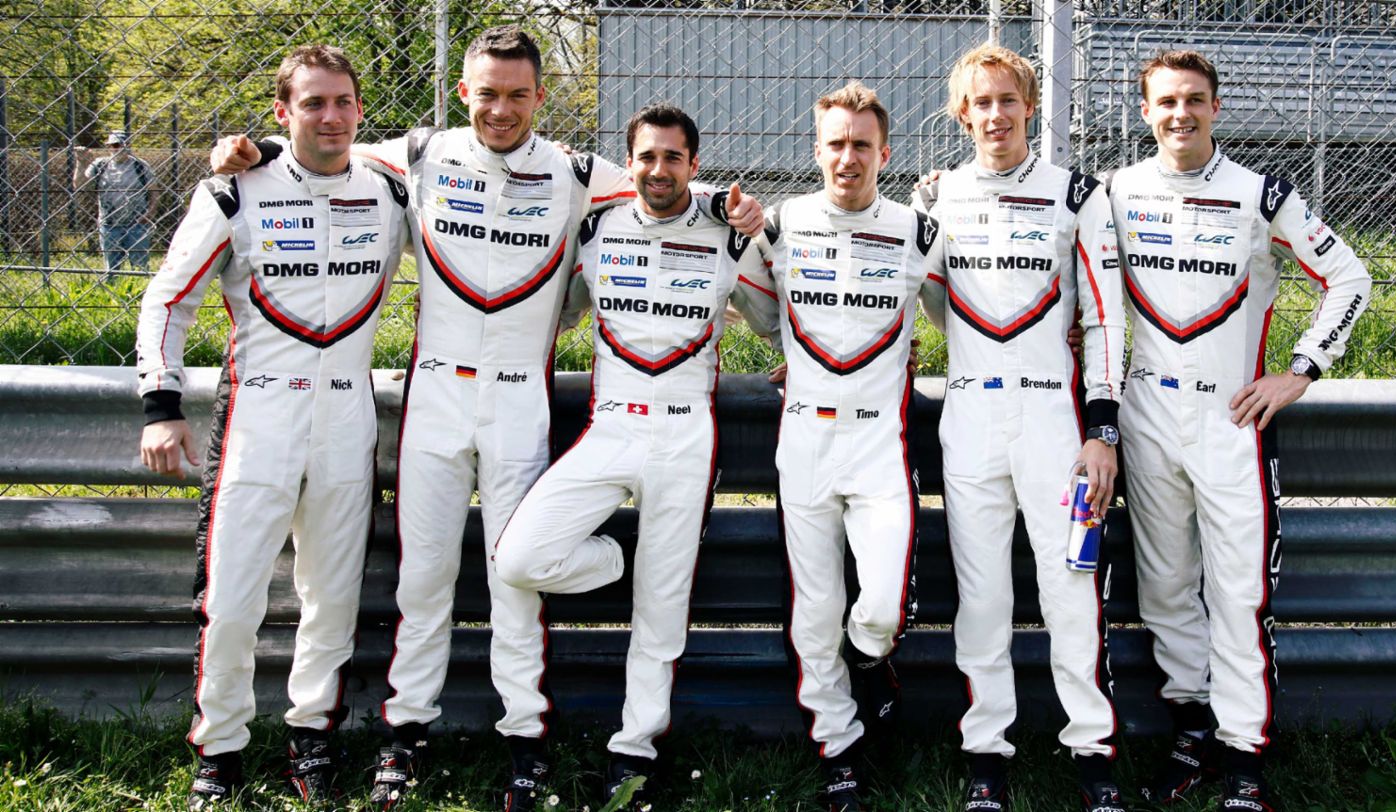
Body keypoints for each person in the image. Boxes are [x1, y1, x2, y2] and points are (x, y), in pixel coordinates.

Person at [210, 25, 762, 811]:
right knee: (424, 578)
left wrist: (731, 206)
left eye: (517, 95)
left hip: (517, 400)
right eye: (487, 93)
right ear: (464, 91)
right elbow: (323, 148)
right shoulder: (422, 154)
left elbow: (662, 189)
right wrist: (253, 150)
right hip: (433, 395)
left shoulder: (576, 172)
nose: (501, 110)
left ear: (541, 97)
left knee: (516, 585)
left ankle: (525, 739)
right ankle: (405, 735)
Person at [135, 45, 410, 810]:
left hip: (348, 411)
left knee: (331, 595)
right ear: (282, 113)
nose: (330, 116)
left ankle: (311, 738)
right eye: (312, 103)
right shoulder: (233, 190)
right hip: (258, 411)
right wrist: (161, 404)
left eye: (343, 102)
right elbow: (167, 300)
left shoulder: (392, 192)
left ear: (360, 111)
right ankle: (219, 749)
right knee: (231, 594)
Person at [493, 103, 776, 809]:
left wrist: (804, 356)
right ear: (631, 163)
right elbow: (555, 310)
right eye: (646, 157)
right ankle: (619, 558)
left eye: (673, 158)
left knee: (663, 604)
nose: (658, 170)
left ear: (694, 164)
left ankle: (634, 748)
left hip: (687, 432)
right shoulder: (594, 227)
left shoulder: (727, 232)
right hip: (611, 426)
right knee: (521, 558)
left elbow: (777, 321)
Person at [1111, 50, 1371, 811]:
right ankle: (1192, 733)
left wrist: (1303, 369)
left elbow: (1349, 277)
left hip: (1234, 422)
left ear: (1216, 107)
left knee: (1238, 593)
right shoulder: (1117, 192)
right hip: (1147, 417)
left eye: (1194, 100)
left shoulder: (1264, 195)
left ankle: (1246, 757)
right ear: (1145, 111)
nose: (1179, 114)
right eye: (1165, 102)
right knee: (1161, 590)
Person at [912, 44, 1128, 812]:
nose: (996, 115)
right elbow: (916, 304)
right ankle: (986, 755)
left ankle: (1094, 754)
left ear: (1030, 106)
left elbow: (1104, 316)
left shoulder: (1077, 192)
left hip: (1056, 421)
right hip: (969, 414)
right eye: (981, 103)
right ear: (960, 114)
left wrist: (1102, 431)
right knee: (982, 594)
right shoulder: (935, 198)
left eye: (1009, 100)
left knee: (1072, 586)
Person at [743, 81, 943, 812]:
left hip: (879, 445)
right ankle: (839, 751)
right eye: (835, 143)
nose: (848, 157)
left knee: (881, 609)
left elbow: (964, 316)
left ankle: (871, 663)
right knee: (814, 608)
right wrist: (793, 350)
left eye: (862, 144)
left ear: (883, 152)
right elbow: (760, 308)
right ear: (816, 148)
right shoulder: (783, 223)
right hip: (803, 440)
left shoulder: (920, 229)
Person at [75, 129, 156, 275]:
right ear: (108, 147)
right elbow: (79, 185)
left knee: (140, 267)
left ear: (128, 145)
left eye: (121, 144)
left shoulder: (140, 166)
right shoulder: (99, 165)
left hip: (137, 223)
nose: (117, 148)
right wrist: (81, 163)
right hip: (109, 223)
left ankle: (140, 292)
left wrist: (150, 213)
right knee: (111, 269)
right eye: (114, 145)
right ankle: (112, 291)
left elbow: (154, 191)